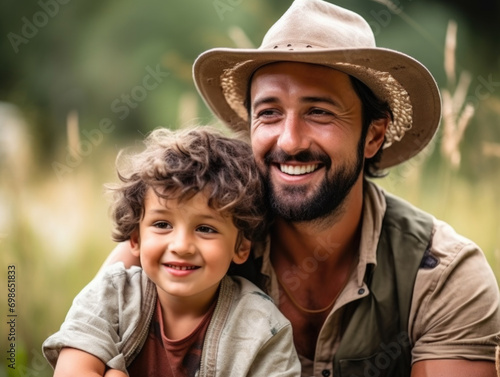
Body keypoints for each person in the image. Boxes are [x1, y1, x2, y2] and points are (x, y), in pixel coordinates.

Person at [103, 0, 500, 376]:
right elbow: (86, 345)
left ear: (374, 136)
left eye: (319, 112)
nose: (290, 141)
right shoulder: (178, 234)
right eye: (269, 113)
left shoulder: (443, 275)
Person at [42, 127, 300, 376]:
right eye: (162, 224)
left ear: (241, 247)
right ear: (135, 238)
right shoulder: (112, 295)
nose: (181, 246)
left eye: (206, 228)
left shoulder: (262, 328)